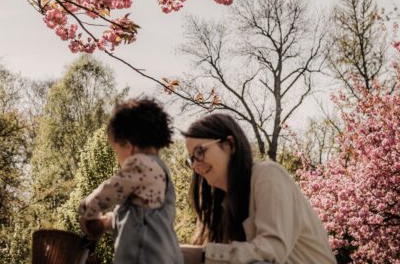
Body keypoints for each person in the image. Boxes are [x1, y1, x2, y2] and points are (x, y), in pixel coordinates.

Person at [179, 114, 335, 264]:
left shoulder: (269, 175)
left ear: (230, 145)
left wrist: (202, 255)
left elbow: (271, 252)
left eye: (200, 152)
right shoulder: (222, 206)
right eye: (191, 159)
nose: (195, 165)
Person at [78, 97, 184, 264]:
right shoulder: (158, 172)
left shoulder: (142, 164)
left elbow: (109, 191)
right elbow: (139, 215)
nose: (117, 157)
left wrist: (87, 210)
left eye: (116, 150)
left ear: (128, 146)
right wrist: (107, 222)